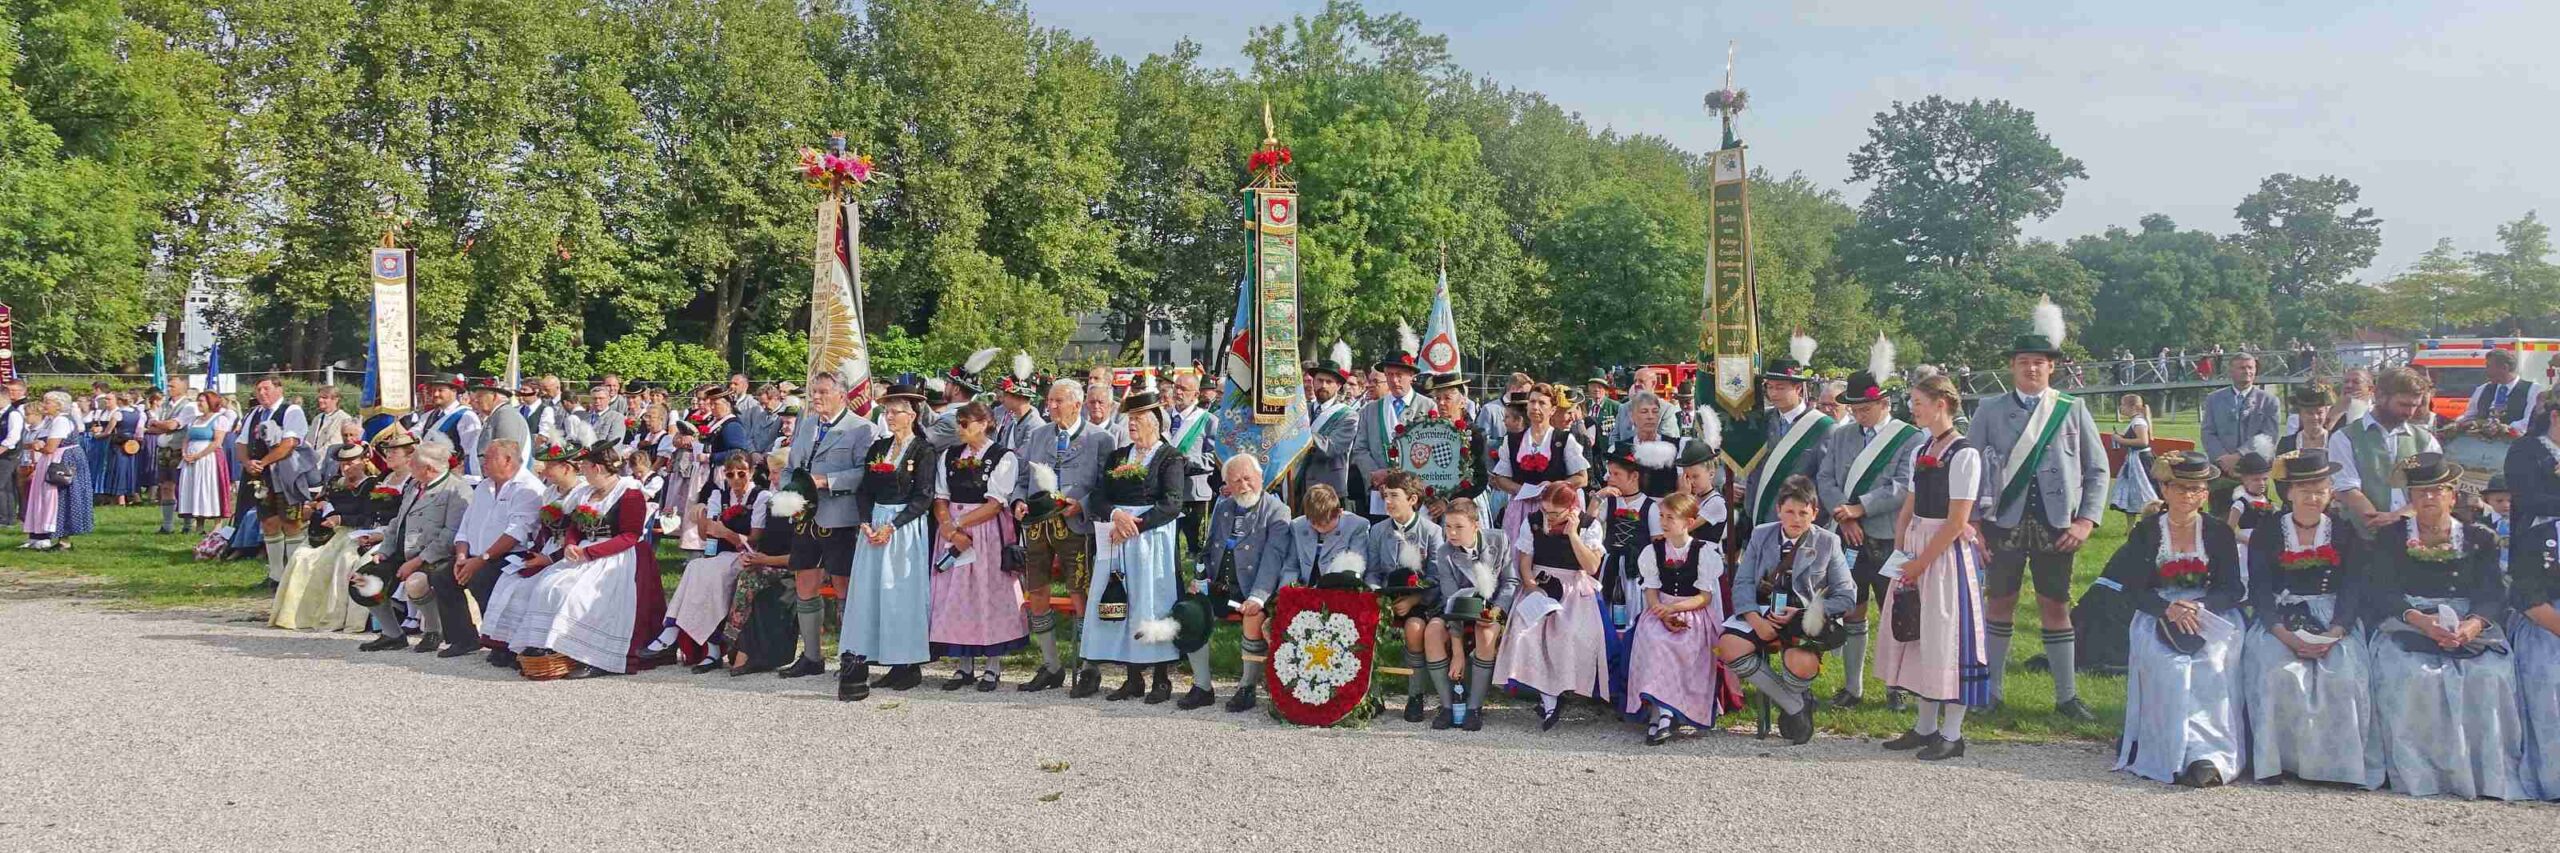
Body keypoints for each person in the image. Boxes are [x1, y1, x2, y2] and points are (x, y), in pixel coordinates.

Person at [1969, 301, 2108, 720]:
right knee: (1999, 603)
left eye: (2039, 363)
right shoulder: (1989, 409)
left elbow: (2098, 469)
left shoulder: (2071, 408)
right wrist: (1973, 524)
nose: (2031, 369)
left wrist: (2087, 521)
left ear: (2051, 367)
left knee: (2056, 606)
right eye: (2024, 362)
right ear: (2012, 366)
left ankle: (2067, 697)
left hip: (2057, 524)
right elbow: (1968, 468)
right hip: (2001, 521)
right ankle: (1991, 693)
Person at [2365, 452, 2530, 800]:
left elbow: (2493, 593)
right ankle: (2422, 774)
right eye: (2421, 491)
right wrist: (2421, 620)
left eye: (2437, 490)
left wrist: (2473, 625)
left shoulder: (2479, 538)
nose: (2429, 497)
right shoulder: (2391, 537)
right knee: (2411, 675)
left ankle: (2484, 774)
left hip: (2468, 620)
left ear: (2452, 497)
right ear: (2411, 498)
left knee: (2488, 676)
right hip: (2409, 619)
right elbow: (2381, 591)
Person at [2238, 448, 2382, 788]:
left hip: (2334, 619)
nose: (2313, 498)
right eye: (2305, 491)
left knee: (2343, 675)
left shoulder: (2345, 532)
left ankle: (2338, 765)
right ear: (2289, 493)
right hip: (2280, 618)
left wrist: (2335, 631)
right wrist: (2283, 633)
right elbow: (2260, 590)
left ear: (2330, 492)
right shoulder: (2267, 532)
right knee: (2276, 671)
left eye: (2320, 491)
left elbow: (2353, 589)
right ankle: (2283, 761)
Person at [2101, 451, 2246, 787]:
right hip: (2159, 612)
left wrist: (2200, 606)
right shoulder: (2146, 532)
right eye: (2180, 488)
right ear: (2165, 490)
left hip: (2209, 612)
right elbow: (2132, 589)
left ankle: (2209, 755)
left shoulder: (2218, 532)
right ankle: (2169, 752)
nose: (2187, 495)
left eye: (2196, 489)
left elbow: (2233, 589)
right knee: (2169, 666)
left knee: (2212, 662)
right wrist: (2167, 608)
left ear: (2205, 494)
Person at [1873, 373, 1992, 760]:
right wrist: (1901, 546)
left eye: (1918, 403)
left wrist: (1921, 563)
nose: (1913, 409)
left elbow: (1957, 522)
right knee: (1919, 634)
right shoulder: (1921, 448)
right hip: (1917, 547)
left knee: (1948, 638)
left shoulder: (1964, 455)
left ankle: (1952, 734)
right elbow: (1909, 504)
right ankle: (1925, 727)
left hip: (1945, 554)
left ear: (1941, 404)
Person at [1816, 341, 1920, 711]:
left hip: (1892, 536)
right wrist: (1843, 516)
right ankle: (1853, 686)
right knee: (1852, 609)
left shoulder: (1909, 438)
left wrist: (1858, 509)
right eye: (1855, 409)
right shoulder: (1841, 435)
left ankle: (1898, 686)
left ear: (1884, 404)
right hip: (1850, 536)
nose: (1859, 415)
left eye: (1866, 409)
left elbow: (1902, 487)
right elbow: (1825, 479)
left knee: (1896, 612)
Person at [508, 443, 669, 679]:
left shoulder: (629, 492)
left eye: (584, 465)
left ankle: (594, 655)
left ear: (597, 468)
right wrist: (571, 544)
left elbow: (630, 535)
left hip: (618, 555)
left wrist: (590, 552)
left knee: (579, 595)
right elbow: (575, 527)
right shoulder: (586, 493)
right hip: (583, 552)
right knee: (548, 586)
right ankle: (549, 644)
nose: (581, 470)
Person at [1717, 476, 1855, 744]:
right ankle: (1795, 704)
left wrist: (1805, 614)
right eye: (1790, 511)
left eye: (1803, 513)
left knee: (1799, 663)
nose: (1796, 519)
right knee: (1728, 646)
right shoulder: (1761, 534)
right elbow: (1743, 583)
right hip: (1763, 611)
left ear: (1815, 513)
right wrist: (1756, 621)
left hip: (1802, 619)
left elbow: (1847, 597)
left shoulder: (1828, 542)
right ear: (1778, 510)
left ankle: (1793, 700)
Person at [1073, 386, 1187, 703]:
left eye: (1138, 418)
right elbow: (1099, 495)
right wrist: (1116, 515)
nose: (1131, 423)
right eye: (1130, 418)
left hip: (1152, 539)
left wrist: (1135, 525)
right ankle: (1133, 677)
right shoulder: (1118, 456)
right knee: (1126, 600)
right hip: (1117, 536)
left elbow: (1172, 503)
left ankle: (1161, 679)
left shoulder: (1170, 458)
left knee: (1153, 601)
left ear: (1155, 422)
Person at [837, 383, 935, 701]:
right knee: (872, 592)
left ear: (912, 415)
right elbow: (865, 489)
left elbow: (923, 497)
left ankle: (908, 662)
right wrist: (866, 521)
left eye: (896, 412)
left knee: (901, 592)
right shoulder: (879, 447)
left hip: (904, 527)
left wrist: (893, 526)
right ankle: (878, 654)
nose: (889, 417)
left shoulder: (923, 450)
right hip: (876, 522)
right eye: (887, 411)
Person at [1011, 377, 1110, 691]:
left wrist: (1082, 505)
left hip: (1076, 525)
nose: (1051, 406)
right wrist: (1018, 500)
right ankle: (1051, 665)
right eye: (1049, 401)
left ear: (1077, 405)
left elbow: (1106, 486)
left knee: (1079, 593)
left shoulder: (1100, 438)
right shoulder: (1039, 434)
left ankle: (1088, 665)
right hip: (1037, 525)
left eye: (1058, 401)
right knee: (1037, 590)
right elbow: (1022, 476)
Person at [928, 402, 1028, 692]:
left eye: (965, 423)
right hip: (953, 530)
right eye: (958, 423)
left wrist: (959, 523)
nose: (960, 428)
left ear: (983, 424)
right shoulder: (949, 455)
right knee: (957, 595)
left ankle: (993, 666)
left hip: (985, 531)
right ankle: (964, 665)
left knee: (987, 593)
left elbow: (995, 504)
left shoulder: (1003, 457)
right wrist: (948, 526)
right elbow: (940, 496)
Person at [1498, 484, 1607, 729]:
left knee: (1566, 634)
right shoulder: (1533, 521)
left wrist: (1573, 535)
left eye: (1555, 513)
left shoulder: (1589, 525)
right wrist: (1531, 587)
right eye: (1545, 511)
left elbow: (1591, 567)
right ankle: (1548, 698)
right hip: (1540, 585)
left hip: (1573, 588)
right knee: (1525, 633)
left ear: (1571, 508)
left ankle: (1558, 692)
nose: (1548, 517)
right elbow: (1524, 563)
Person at [1623, 492, 1726, 745]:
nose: (1664, 522)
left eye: (1671, 517)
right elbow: (1651, 589)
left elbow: (1704, 597)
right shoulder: (1653, 551)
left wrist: (1676, 608)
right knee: (1654, 639)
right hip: (1660, 609)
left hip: (1692, 611)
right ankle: (1659, 713)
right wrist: (1659, 609)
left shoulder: (1703, 552)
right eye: (1662, 516)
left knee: (1683, 644)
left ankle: (1666, 715)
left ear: (1689, 522)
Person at [357, 438, 472, 653]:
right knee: (362, 581)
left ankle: (433, 631)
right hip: (402, 552)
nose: (410, 464)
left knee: (415, 582)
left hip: (433, 557)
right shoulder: (414, 485)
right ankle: (392, 634)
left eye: (415, 462)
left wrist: (417, 561)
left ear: (429, 468)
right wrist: (384, 551)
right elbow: (397, 522)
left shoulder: (457, 490)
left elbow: (450, 536)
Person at [483, 437, 587, 668]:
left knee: (531, 588)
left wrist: (549, 559)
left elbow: (579, 534)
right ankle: (504, 643)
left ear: (566, 467)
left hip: (570, 553)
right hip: (548, 547)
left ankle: (532, 645)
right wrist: (535, 553)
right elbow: (543, 530)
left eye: (550, 466)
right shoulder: (550, 493)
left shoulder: (581, 494)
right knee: (509, 579)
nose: (544, 470)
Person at [270, 443, 394, 631]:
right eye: (343, 464)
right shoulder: (335, 483)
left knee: (335, 561)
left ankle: (331, 614)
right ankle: (295, 614)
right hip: (328, 533)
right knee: (301, 557)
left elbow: (369, 517)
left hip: (354, 531)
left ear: (363, 461)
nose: (346, 468)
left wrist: (342, 519)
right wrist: (316, 507)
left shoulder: (372, 485)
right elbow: (322, 501)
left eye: (351, 463)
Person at [439, 437, 544, 659]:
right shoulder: (483, 487)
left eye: (488, 457)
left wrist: (481, 560)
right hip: (475, 555)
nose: (483, 462)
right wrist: (461, 556)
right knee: (442, 576)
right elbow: (465, 526)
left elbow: (516, 533)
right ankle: (464, 638)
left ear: (508, 460)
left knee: (482, 578)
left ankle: (500, 642)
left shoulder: (528, 488)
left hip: (511, 555)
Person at [1214, 455, 1303, 712]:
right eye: (1235, 481)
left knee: (1253, 617)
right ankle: (1201, 686)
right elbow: (1209, 548)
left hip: (1254, 588)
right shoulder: (1223, 507)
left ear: (1260, 478)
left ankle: (1247, 687)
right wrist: (1199, 580)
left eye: (1247, 479)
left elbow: (1273, 560)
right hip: (1221, 586)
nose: (1243, 486)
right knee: (1190, 611)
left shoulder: (1277, 511)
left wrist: (1257, 597)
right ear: (1227, 485)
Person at [658, 454, 763, 667]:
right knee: (694, 567)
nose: (736, 479)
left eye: (741, 473)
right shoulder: (719, 495)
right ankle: (679, 630)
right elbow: (707, 535)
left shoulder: (759, 497)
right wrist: (702, 518)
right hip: (722, 554)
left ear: (751, 472)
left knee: (714, 574)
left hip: (746, 555)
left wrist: (726, 533)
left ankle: (690, 636)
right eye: (730, 474)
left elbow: (755, 539)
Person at [1362, 471, 1443, 723]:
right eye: (1385, 496)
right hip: (1385, 597)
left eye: (1394, 496)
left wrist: (1414, 601)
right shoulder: (1378, 530)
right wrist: (1377, 594)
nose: (1388, 501)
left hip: (1420, 600)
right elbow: (1373, 571)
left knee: (1415, 629)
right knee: (1365, 624)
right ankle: (1372, 694)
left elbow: (1437, 578)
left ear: (1412, 499)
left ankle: (1415, 695)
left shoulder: (1431, 532)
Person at [1424, 497, 1512, 731]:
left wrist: (1497, 610)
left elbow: (1510, 582)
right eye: (1448, 526)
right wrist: (1458, 653)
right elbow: (1451, 600)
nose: (1451, 533)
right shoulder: (1445, 553)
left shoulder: (1499, 540)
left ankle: (1474, 707)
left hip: (1491, 607)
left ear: (1476, 525)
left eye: (1459, 527)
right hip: (1456, 610)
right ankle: (1447, 706)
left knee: (1486, 633)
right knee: (1432, 632)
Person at [1736, 335, 1833, 541]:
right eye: (1770, 387)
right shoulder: (1761, 420)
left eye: (1780, 387)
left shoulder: (1823, 427)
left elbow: (1825, 480)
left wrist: (1813, 519)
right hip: (1761, 515)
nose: (1773, 393)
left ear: (1798, 388)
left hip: (1800, 521)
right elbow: (1752, 469)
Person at [715, 450, 802, 675]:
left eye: (776, 472)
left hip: (792, 569)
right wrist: (754, 556)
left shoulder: (803, 507)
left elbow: (801, 555)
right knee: (739, 573)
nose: (771, 478)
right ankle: (732, 646)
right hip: (770, 563)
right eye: (771, 472)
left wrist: (765, 560)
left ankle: (735, 644)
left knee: (748, 579)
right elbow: (767, 542)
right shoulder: (776, 503)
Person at [2329, 367, 2442, 533]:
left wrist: (2397, 517)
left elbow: (2434, 488)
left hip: (2415, 534)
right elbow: (2346, 488)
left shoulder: (2425, 440)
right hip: (2361, 536)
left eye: (2414, 406)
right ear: (2380, 395)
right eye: (2403, 405)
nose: (2409, 413)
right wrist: (2376, 520)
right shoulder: (2345, 437)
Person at [1489, 385, 1589, 539]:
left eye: (1542, 403)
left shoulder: (1563, 440)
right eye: (1532, 402)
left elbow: (1582, 478)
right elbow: (1501, 478)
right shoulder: (1512, 440)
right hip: (1521, 510)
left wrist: (1554, 487)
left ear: (1553, 410)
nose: (1535, 407)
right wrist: (1522, 490)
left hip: (1555, 511)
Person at [1355, 330, 1427, 519]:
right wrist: (1375, 475)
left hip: (1414, 495)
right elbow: (1360, 449)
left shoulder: (1427, 407)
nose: (1394, 380)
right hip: (1380, 493)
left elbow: (1431, 451)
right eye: (1389, 374)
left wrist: (1394, 475)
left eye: (1399, 374)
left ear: (1411, 375)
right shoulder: (1370, 410)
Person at [18, 392, 93, 551]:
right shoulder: (54, 420)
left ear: (59, 405)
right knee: (54, 497)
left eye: (48, 402)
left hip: (62, 461)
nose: (44, 405)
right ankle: (45, 536)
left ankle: (63, 541)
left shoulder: (61, 420)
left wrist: (37, 446)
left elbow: (51, 447)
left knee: (61, 497)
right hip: (60, 458)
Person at [1162, 371, 1219, 562]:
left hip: (1193, 494)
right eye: (1176, 387)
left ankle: (1198, 577)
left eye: (1183, 389)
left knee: (1196, 549)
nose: (1178, 392)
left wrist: (1188, 461)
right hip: (1165, 491)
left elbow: (1215, 457)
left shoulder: (1208, 420)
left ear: (1196, 394)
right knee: (1168, 546)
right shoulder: (1162, 418)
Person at [1292, 347, 1357, 508]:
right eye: (1319, 380)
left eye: (1329, 382)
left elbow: (1331, 448)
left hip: (1329, 490)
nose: (1323, 385)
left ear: (1338, 386)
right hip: (1298, 487)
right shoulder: (1301, 411)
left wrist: (1300, 429)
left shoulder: (1348, 415)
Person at [175, 390, 234, 534]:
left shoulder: (220, 419)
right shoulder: (195, 420)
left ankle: (217, 525)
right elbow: (186, 439)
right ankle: (199, 525)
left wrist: (198, 455)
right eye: (198, 401)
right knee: (196, 489)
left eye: (201, 401)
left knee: (211, 488)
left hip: (209, 459)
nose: (199, 403)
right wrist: (185, 453)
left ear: (210, 402)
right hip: (191, 460)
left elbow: (217, 442)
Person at [2458, 347, 2541, 434]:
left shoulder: (2532, 390)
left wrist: (2504, 428)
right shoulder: (2482, 389)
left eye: (2489, 366)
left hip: (2515, 441)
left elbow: (2530, 421)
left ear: (2505, 368)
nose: (2486, 371)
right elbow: (2469, 417)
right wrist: (2458, 423)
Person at [2107, 394, 2160, 519]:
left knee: (2146, 489)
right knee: (2131, 491)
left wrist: (2120, 440)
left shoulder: (2138, 422)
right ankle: (2130, 525)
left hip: (2141, 461)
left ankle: (2151, 519)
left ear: (2133, 407)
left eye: (2123, 405)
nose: (2121, 407)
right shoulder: (2135, 421)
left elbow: (2143, 441)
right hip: (2134, 460)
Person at [414, 375, 480, 475]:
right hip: (428, 472)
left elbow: (470, 452)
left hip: (452, 474)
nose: (435, 394)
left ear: (454, 391)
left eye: (440, 390)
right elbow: (413, 435)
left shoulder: (466, 416)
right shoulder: (428, 416)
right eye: (433, 390)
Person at [2277, 382, 2334, 455]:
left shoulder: (2336, 441)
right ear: (2300, 414)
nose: (2315, 417)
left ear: (2326, 412)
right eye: (2309, 413)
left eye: (2319, 412)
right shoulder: (2287, 444)